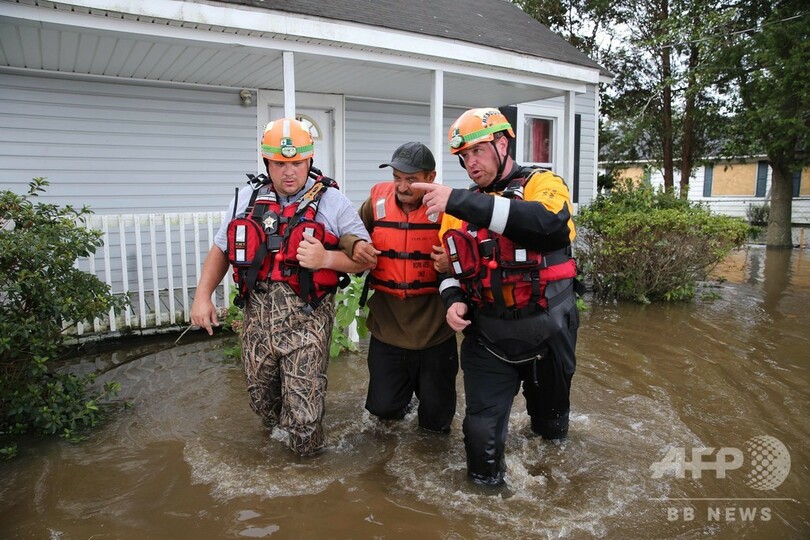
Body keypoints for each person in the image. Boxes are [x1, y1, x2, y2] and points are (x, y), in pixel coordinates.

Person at [412, 108, 580, 486]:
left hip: (549, 332)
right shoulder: (457, 206)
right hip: (488, 337)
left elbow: (550, 227)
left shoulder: (543, 183)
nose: (470, 163)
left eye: (478, 152)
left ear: (502, 144)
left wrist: (458, 201)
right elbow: (449, 270)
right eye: (464, 157)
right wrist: (451, 299)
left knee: (551, 432)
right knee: (480, 448)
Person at [191, 118, 374, 456]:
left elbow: (366, 259)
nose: (289, 172)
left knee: (304, 418)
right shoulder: (247, 198)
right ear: (267, 163)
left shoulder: (333, 201)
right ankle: (279, 442)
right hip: (257, 316)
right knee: (261, 399)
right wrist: (202, 297)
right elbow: (222, 248)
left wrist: (326, 260)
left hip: (307, 318)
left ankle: (307, 480)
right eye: (280, 164)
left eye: (297, 163)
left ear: (309, 160)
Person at [343, 142, 459, 433]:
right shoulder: (377, 203)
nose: (402, 187)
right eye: (397, 178)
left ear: (431, 178)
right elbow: (348, 231)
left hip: (435, 331)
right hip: (387, 328)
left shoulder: (450, 209)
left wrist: (452, 259)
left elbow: (474, 255)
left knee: (436, 426)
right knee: (383, 416)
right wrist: (355, 245)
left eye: (411, 179)